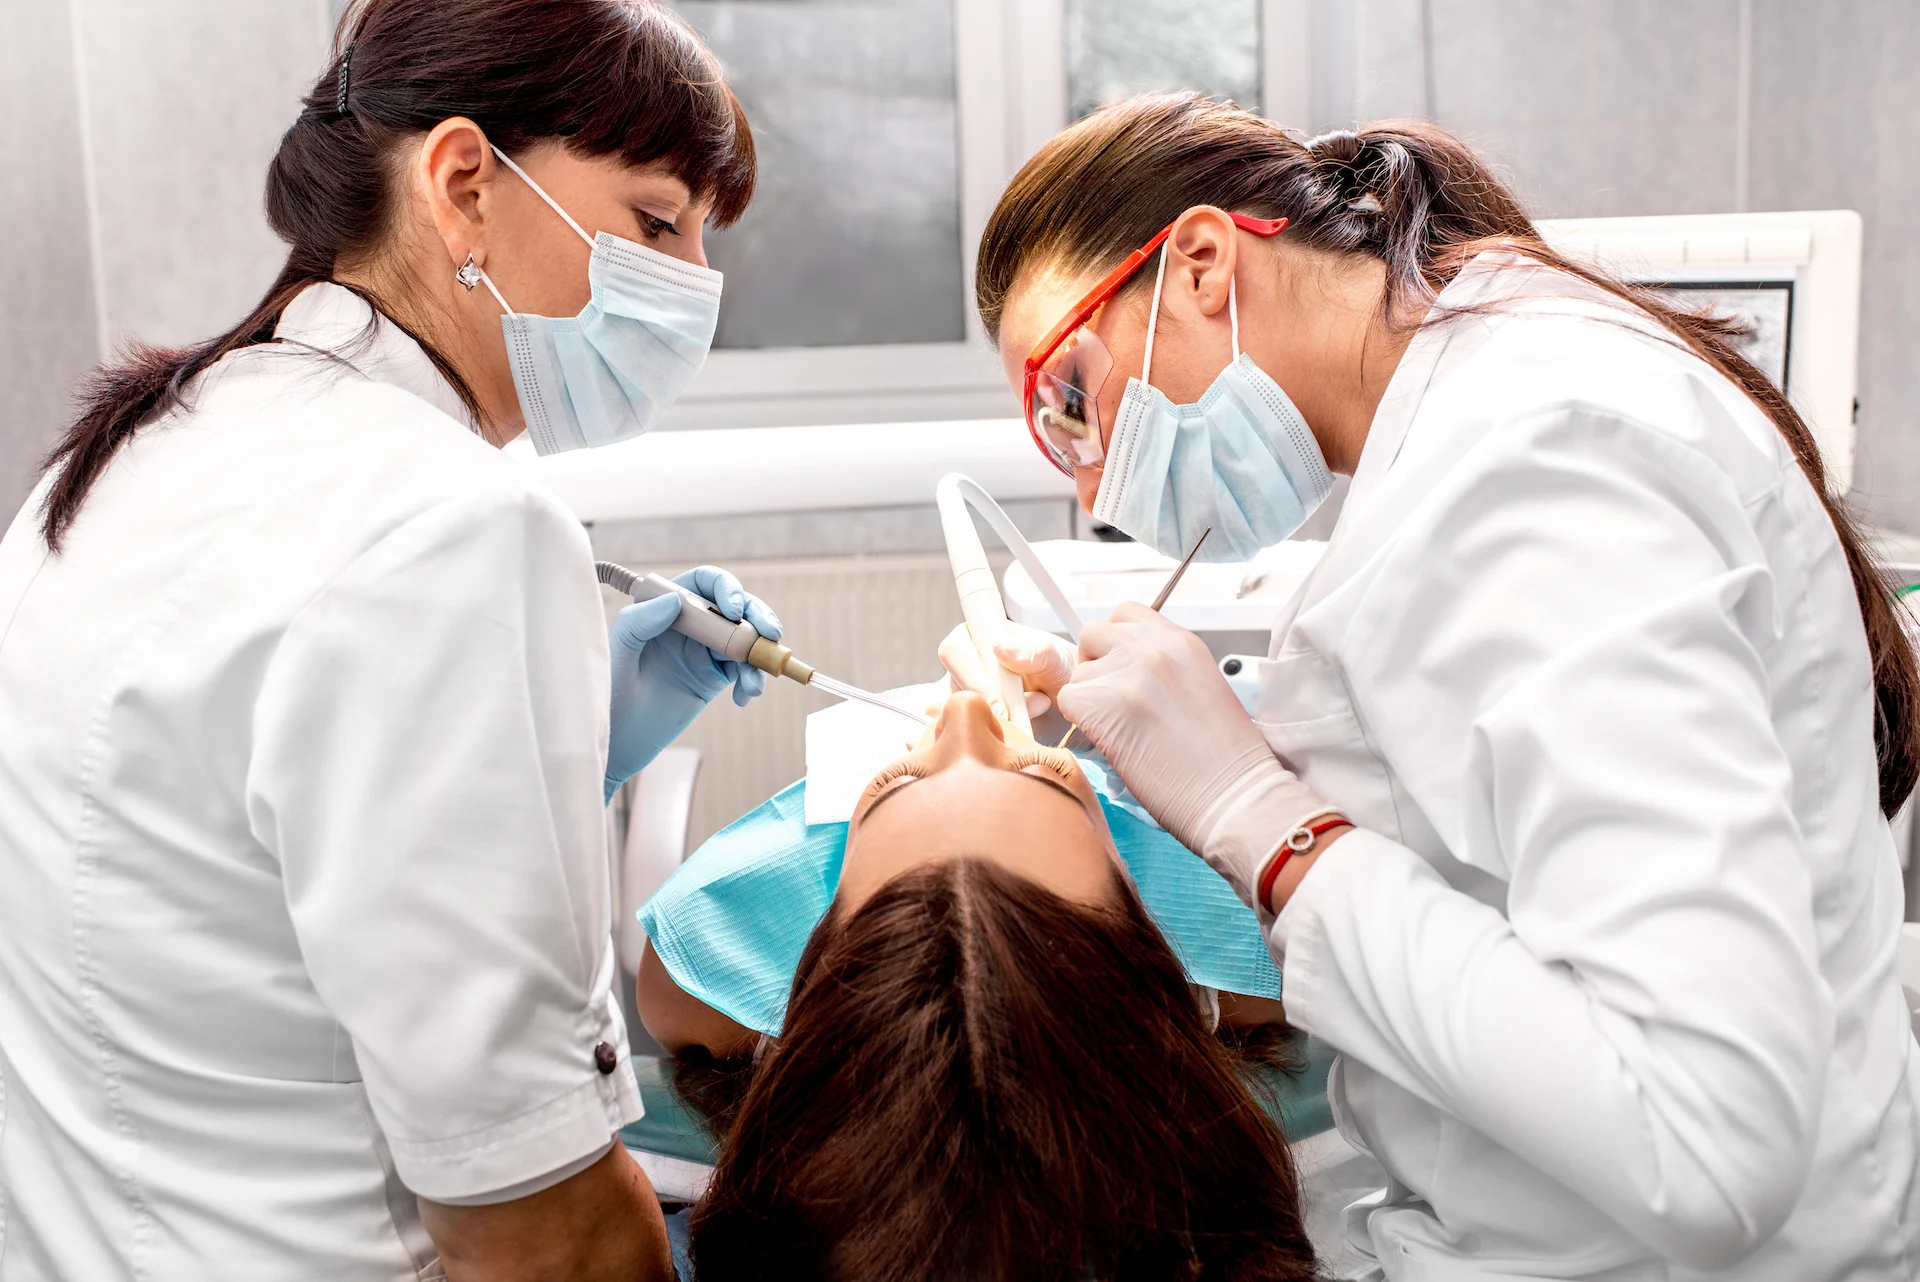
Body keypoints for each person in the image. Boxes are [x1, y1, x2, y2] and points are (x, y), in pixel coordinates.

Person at [947, 94, 1920, 1279]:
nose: (1096, 487)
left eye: (1070, 402)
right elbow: (1481, 783)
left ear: (1202, 263)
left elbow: (1707, 1144)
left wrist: (1260, 816)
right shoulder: (1470, 386)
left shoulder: (1542, 458)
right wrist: (1161, 747)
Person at [0, 2, 775, 1278]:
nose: (693, 290)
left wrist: (573, 758)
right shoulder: (449, 520)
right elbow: (539, 1227)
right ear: (464, 182)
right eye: (653, 223)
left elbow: (231, 881)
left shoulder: (135, 449)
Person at [640, 690, 1318, 1280]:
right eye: (1045, 776)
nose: (963, 711)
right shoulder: (1264, 969)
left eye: (889, 786)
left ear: (815, 950)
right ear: (1150, 924)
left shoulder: (698, 989)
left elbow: (688, 978)